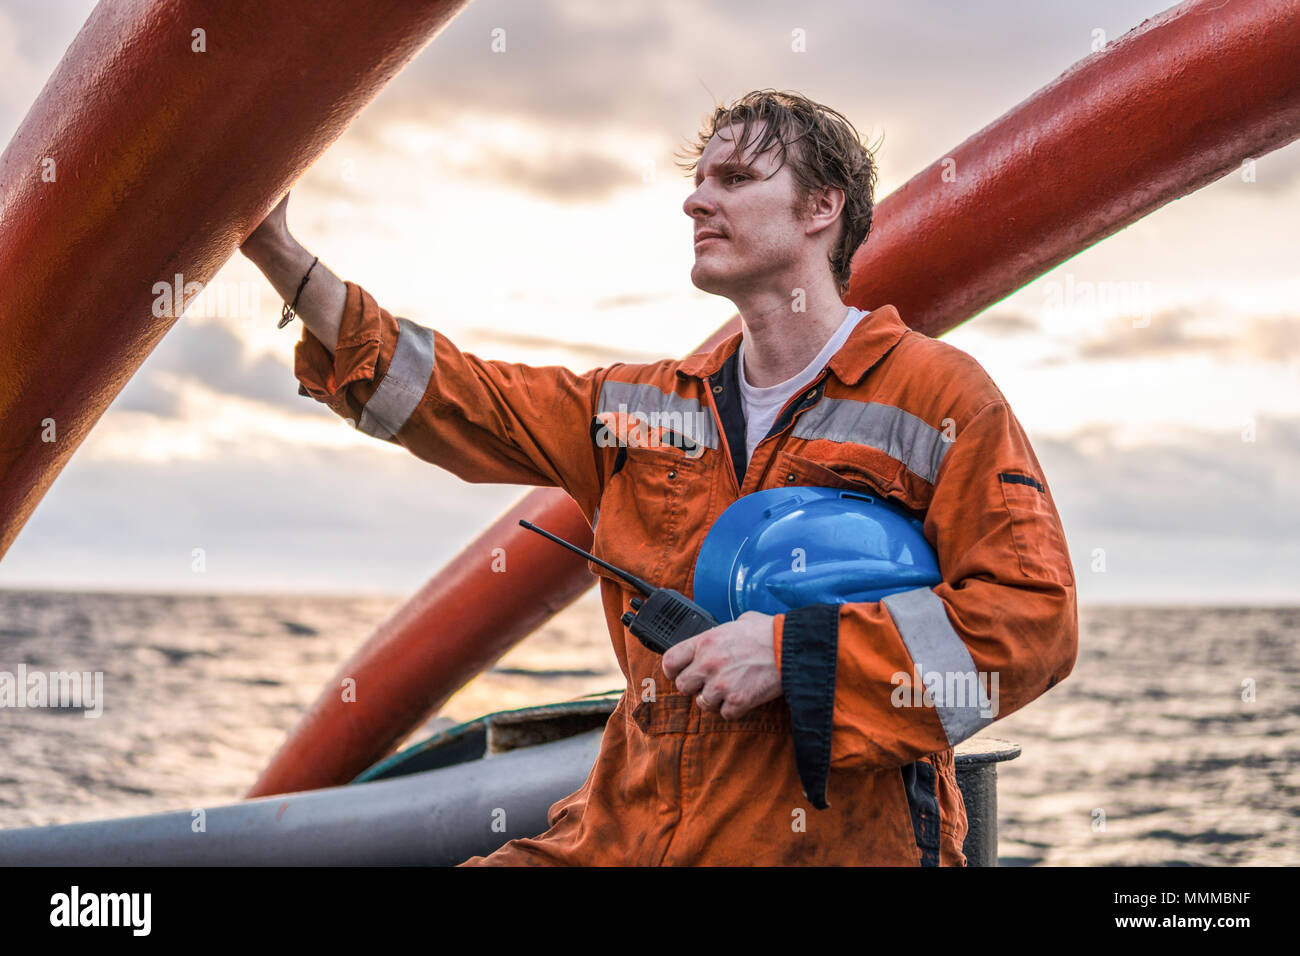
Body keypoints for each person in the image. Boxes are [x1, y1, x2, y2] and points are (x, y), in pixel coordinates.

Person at [241, 89, 1078, 866]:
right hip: (626, 835)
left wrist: (796, 656)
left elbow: (1031, 626)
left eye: (736, 177)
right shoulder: (639, 407)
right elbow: (454, 396)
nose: (695, 199)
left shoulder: (939, 395)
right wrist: (278, 252)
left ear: (823, 209)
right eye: (698, 178)